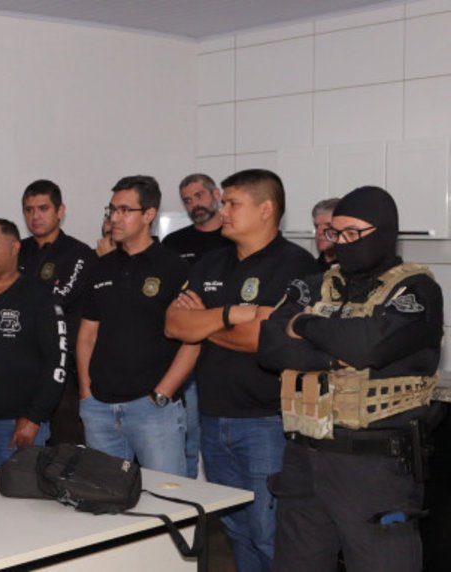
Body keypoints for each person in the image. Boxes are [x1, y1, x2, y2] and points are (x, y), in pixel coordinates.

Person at [259, 186, 443, 572]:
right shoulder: (313, 284)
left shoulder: (416, 290)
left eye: (352, 233)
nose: (340, 242)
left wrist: (303, 323)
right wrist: (333, 354)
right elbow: (270, 346)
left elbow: (367, 346)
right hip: (303, 460)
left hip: (374, 469)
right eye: (334, 232)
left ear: (384, 231)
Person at [165, 169, 318, 572]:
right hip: (214, 417)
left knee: (269, 534)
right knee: (235, 530)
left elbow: (262, 339)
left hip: (267, 422)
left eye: (233, 203)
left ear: (265, 209)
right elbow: (174, 324)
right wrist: (231, 315)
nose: (223, 211)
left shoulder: (296, 265)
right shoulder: (212, 261)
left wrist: (205, 322)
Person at [77, 175, 194, 476]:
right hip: (100, 408)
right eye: (112, 209)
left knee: (169, 496)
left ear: (149, 214)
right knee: (105, 495)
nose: (115, 218)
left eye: (124, 210)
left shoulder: (174, 267)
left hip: (152, 410)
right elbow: (87, 335)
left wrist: (162, 394)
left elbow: (193, 340)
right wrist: (87, 394)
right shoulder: (100, 267)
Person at [0, 218, 65, 471]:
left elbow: (57, 361)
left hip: (16, 428)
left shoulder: (40, 296)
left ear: (15, 248)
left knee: (16, 496)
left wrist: (34, 417)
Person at [161, 173, 233, 479]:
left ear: (216, 194)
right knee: (186, 440)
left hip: (225, 351)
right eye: (187, 200)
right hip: (184, 351)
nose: (195, 205)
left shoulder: (232, 239)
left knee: (221, 443)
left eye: (199, 196)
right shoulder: (174, 243)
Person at [18, 179, 94, 445]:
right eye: (29, 210)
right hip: (23, 366)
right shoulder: (17, 250)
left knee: (66, 447)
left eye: (43, 208)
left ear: (60, 211)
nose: (35, 216)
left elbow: (56, 300)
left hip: (63, 368)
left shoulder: (79, 253)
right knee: (23, 452)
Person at [311, 197, 340, 270]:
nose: (319, 232)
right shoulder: (308, 268)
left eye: (329, 226)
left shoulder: (357, 270)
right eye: (317, 226)